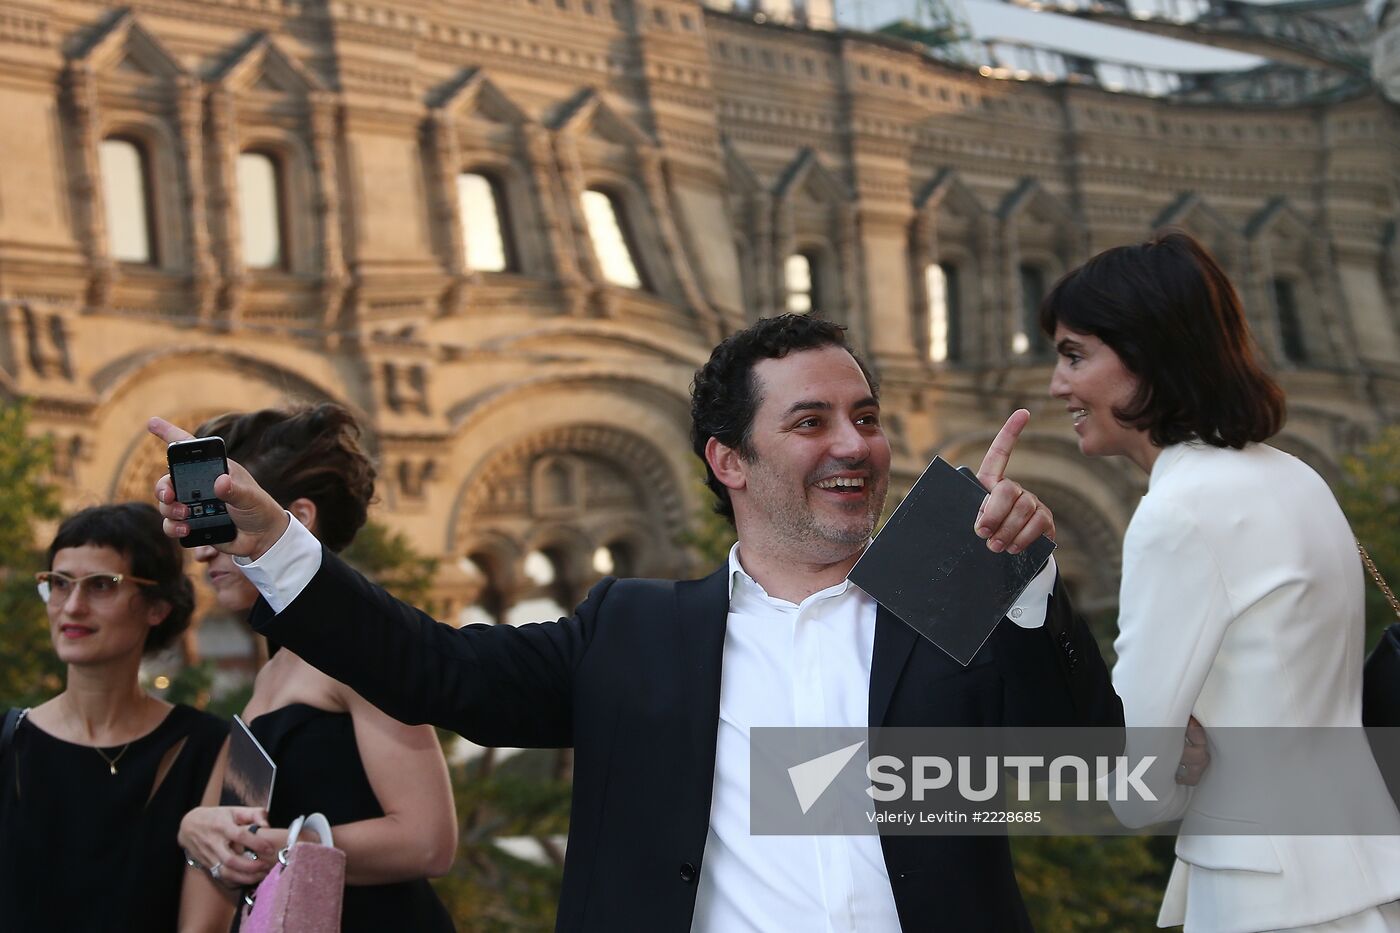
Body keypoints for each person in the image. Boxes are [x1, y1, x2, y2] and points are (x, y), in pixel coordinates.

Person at [151, 314, 1124, 932]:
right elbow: (431, 669)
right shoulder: (635, 628)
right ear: (726, 461)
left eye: (864, 418)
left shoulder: (939, 601)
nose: (853, 445)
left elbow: (1093, 771)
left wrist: (1024, 589)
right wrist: (279, 548)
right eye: (809, 421)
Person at [1043, 230, 1400, 931]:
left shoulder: (1179, 512)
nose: (1059, 384)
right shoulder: (1294, 476)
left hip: (1268, 891)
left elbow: (1138, 785)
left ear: (1147, 356)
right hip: (1363, 862)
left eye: (1075, 355)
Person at [173, 404, 458, 932]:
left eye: (220, 519)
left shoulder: (351, 654)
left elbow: (428, 843)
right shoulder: (270, 675)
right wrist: (198, 829)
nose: (202, 554)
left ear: (299, 517)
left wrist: (280, 846)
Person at [0, 503, 228, 932]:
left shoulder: (207, 748)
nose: (72, 607)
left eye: (101, 585)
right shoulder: (7, 742)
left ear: (157, 606)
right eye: (59, 583)